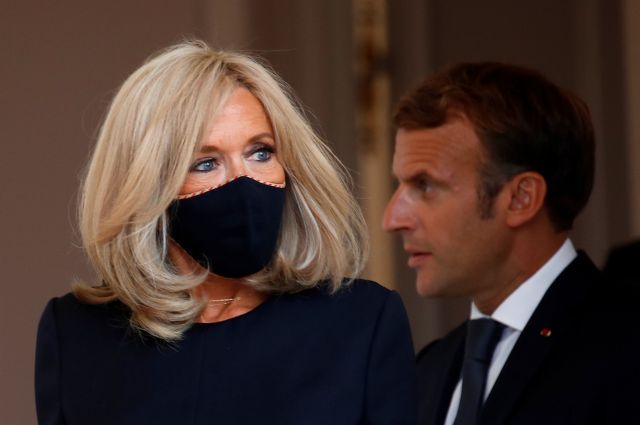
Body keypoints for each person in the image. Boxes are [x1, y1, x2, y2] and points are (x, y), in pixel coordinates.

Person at [35, 40, 417, 425]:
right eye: (205, 163)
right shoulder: (77, 333)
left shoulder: (361, 323)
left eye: (261, 153)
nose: (243, 181)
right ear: (148, 186)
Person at [383, 62, 640, 425]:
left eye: (424, 186)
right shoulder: (429, 369)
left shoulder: (626, 348)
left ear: (521, 198)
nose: (392, 219)